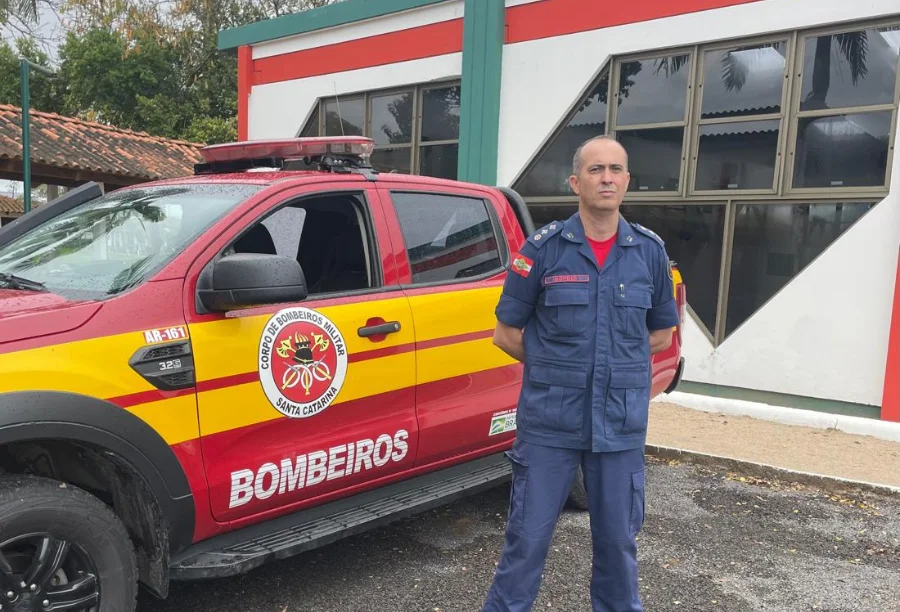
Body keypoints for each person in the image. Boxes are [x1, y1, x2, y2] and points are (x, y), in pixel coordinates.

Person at [482, 135, 679, 612]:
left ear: (627, 181)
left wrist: (606, 366)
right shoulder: (544, 249)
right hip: (551, 422)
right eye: (595, 170)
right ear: (576, 182)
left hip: (619, 424)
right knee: (525, 541)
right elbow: (506, 333)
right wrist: (560, 368)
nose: (606, 177)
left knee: (618, 545)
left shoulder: (649, 252)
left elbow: (659, 335)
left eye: (615, 169)